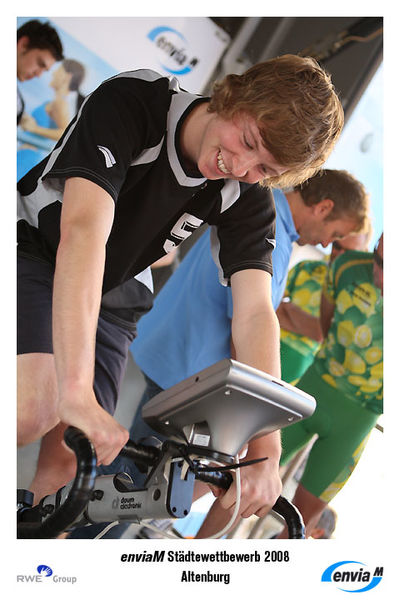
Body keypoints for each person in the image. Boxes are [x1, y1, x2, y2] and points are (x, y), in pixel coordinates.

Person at [17, 54, 344, 526]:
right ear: (235, 95)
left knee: (76, 460)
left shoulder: (246, 193)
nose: (240, 167)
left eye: (265, 169)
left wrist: (266, 448)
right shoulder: (139, 100)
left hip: (115, 287)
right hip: (36, 244)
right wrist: (75, 389)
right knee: (32, 409)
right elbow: (83, 233)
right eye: (248, 142)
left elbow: (255, 313)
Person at [74, 170, 369, 539]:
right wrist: (249, 420)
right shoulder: (271, 234)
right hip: (187, 377)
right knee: (135, 489)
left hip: (172, 355)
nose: (327, 244)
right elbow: (245, 327)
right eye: (335, 234)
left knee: (134, 474)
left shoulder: (256, 211)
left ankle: (78, 534)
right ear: (323, 208)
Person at [276, 233, 383, 538]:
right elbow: (324, 327)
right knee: (243, 473)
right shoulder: (348, 267)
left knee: (299, 524)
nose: (379, 275)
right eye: (378, 260)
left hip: (356, 420)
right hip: (314, 385)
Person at [278, 225, 372, 385]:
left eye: (348, 253)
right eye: (337, 246)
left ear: (363, 253)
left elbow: (321, 333)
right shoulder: (306, 267)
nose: (340, 256)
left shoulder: (360, 295)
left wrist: (289, 308)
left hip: (303, 368)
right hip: (270, 341)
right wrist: (310, 325)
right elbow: (270, 308)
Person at [18, 59, 86, 180]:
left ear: (67, 76)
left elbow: (64, 133)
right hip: (27, 155)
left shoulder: (61, 103)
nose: (53, 73)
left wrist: (34, 128)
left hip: (28, 158)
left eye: (58, 70)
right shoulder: (59, 102)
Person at [17, 20, 64, 124]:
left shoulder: (18, 105)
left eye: (44, 70)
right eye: (40, 63)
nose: (38, 75)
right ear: (23, 45)